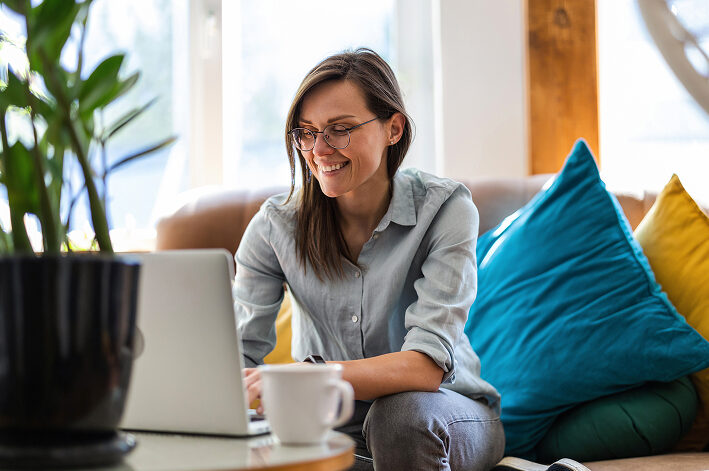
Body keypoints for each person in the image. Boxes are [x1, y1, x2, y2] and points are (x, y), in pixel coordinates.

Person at [233, 48, 505, 471]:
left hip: (446, 414)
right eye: (306, 132)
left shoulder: (446, 209)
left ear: (393, 128)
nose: (319, 149)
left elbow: (425, 367)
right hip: (330, 428)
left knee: (397, 417)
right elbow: (238, 354)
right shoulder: (275, 227)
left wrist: (315, 376)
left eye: (339, 129)